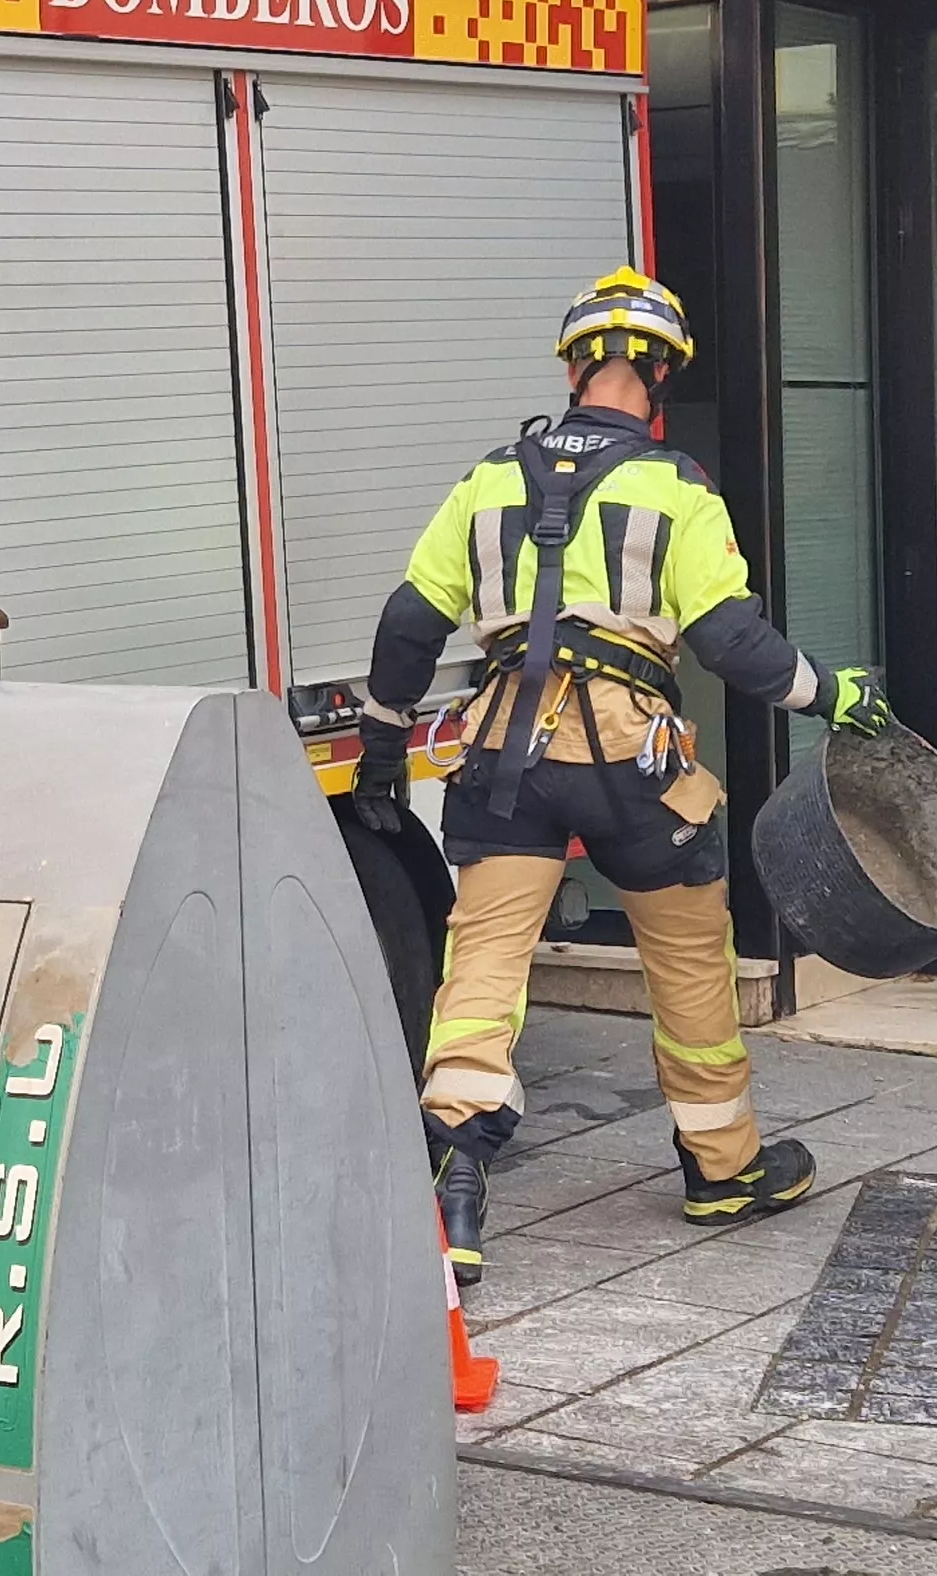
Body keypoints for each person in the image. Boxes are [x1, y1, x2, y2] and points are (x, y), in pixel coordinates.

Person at [351, 268, 891, 1284]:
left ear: (572, 370)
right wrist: (832, 694)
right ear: (662, 380)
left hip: (504, 755)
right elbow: (732, 642)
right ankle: (723, 1167)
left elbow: (410, 623)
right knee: (687, 957)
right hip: (635, 761)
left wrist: (384, 742)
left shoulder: (488, 480)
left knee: (485, 960)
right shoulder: (676, 488)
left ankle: (454, 1193)